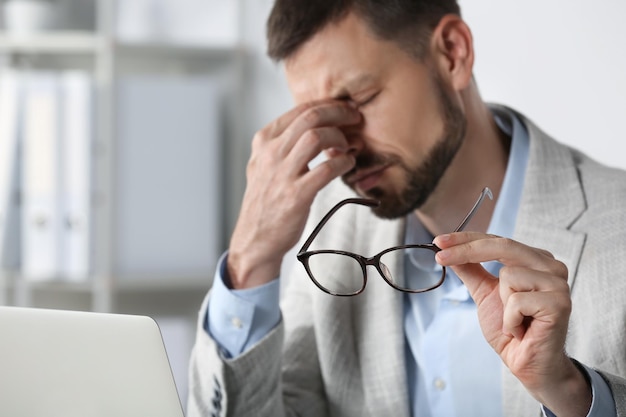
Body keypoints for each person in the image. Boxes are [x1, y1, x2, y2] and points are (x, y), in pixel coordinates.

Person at [187, 1, 626, 416]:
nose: (343, 145)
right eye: (323, 119)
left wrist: (571, 395)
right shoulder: (330, 241)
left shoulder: (617, 227)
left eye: (358, 101)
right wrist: (251, 259)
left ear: (453, 53)